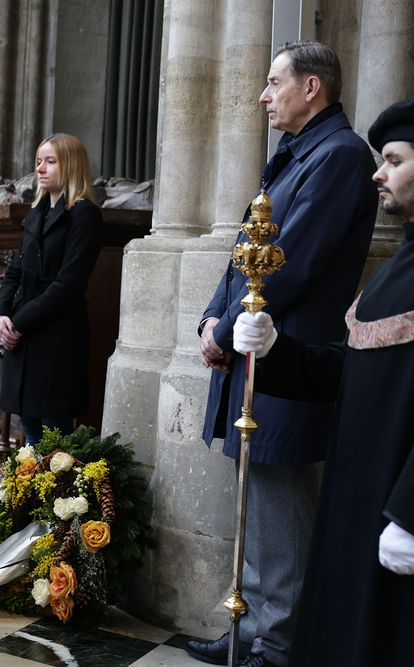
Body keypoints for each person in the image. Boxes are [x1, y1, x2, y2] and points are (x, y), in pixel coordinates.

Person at [186, 41, 379, 667]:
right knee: (257, 496)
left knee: (280, 502)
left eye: (274, 83)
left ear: (311, 88)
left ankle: (279, 646)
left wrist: (227, 330)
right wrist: (211, 319)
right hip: (252, 346)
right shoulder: (297, 152)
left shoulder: (340, 154)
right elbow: (244, 253)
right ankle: (251, 630)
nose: (264, 96)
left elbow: (290, 261)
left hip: (286, 352)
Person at [233, 95, 414, 667]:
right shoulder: (397, 268)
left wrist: (411, 513)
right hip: (360, 499)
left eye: (394, 161)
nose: (379, 173)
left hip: (397, 505)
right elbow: (347, 369)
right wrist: (275, 350)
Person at [0, 133, 103, 445]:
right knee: (30, 430)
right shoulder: (36, 213)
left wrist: (18, 323)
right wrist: (0, 316)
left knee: (55, 439)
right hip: (24, 332)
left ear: (71, 165)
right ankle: (30, 479)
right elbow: (14, 272)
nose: (40, 168)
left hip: (56, 334)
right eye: (39, 161)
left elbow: (69, 285)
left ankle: (48, 481)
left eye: (50, 161)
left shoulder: (84, 214)